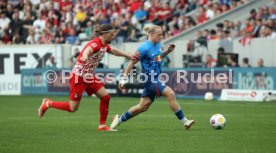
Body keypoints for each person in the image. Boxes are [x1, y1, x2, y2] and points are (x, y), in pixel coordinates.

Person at [38, 24, 137, 131]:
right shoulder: (96, 44)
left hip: (89, 76)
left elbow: (114, 51)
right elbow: (88, 50)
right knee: (73, 108)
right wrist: (85, 56)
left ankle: (102, 126)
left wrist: (128, 55)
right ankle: (48, 103)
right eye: (111, 35)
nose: (113, 37)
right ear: (104, 34)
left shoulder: (104, 45)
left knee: (105, 97)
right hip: (78, 77)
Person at [110, 25, 195, 131]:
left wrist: (168, 51)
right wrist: (124, 77)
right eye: (159, 35)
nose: (161, 37)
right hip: (149, 79)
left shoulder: (158, 45)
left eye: (162, 34)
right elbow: (132, 61)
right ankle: (185, 121)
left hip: (156, 78)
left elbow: (157, 57)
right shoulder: (144, 48)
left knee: (142, 107)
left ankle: (118, 119)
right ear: (151, 34)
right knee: (170, 94)